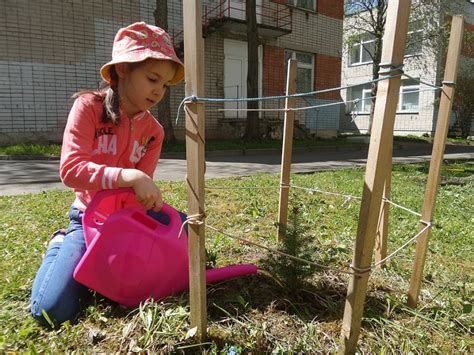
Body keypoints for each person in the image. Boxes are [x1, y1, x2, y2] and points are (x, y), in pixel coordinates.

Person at [30, 22, 185, 326]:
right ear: (123, 70)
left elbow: (137, 193)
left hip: (127, 222)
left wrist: (146, 199)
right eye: (153, 78)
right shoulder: (88, 107)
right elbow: (71, 170)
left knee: (187, 238)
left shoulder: (154, 131)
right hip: (87, 219)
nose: (159, 91)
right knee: (51, 311)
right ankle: (61, 243)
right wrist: (130, 177)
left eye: (165, 85)